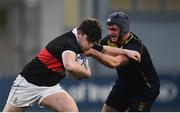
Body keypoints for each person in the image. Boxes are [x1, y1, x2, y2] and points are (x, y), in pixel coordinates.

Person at [3, 18, 140, 112]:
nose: (91, 46)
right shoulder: (68, 43)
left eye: (93, 42)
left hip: (49, 88)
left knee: (71, 111)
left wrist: (126, 51)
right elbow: (69, 65)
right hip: (27, 85)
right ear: (79, 34)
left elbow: (103, 48)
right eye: (90, 42)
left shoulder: (84, 41)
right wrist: (86, 72)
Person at [85, 11, 160, 112]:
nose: (110, 32)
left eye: (114, 29)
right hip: (124, 84)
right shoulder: (110, 40)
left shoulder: (134, 46)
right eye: (109, 29)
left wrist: (92, 52)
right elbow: (94, 46)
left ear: (123, 28)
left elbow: (114, 63)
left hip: (144, 89)